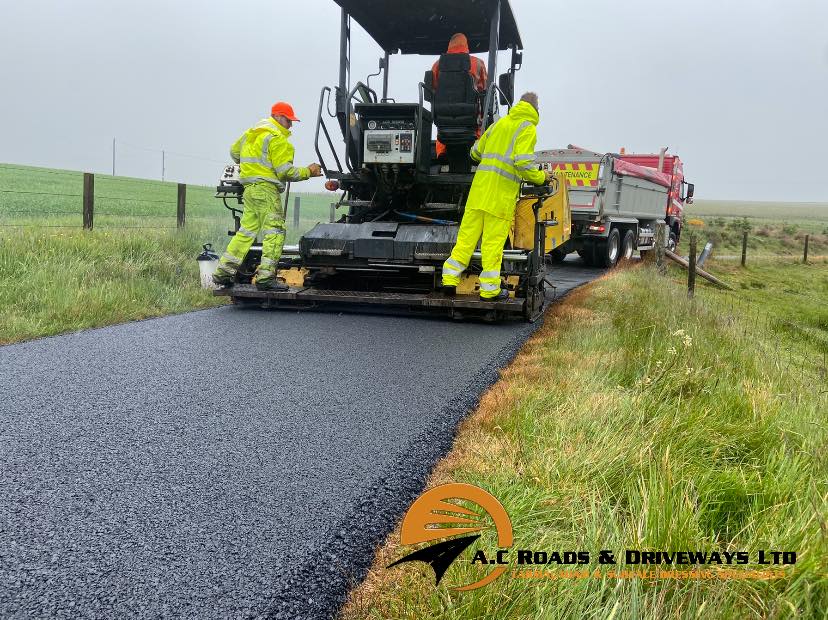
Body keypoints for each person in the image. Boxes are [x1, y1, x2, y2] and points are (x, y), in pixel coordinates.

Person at [441, 92, 554, 301]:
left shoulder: (497, 125)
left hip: (478, 194)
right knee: (492, 245)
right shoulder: (527, 128)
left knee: (465, 240)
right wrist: (542, 177)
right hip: (499, 199)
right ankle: (490, 290)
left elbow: (474, 153)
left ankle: (449, 278)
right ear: (536, 110)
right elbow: (523, 163)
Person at [213, 102, 322, 290]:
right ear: (279, 117)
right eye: (289, 121)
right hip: (266, 191)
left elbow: (234, 152)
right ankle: (265, 279)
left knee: (246, 232)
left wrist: (252, 167)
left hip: (250, 190)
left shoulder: (252, 133)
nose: (291, 125)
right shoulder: (277, 139)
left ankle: (223, 274)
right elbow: (286, 172)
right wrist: (309, 172)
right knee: (275, 231)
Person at [431, 33, 488, 159]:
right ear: (466, 45)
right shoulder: (477, 63)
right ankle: (477, 149)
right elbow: (484, 88)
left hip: (443, 119)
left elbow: (433, 88)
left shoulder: (437, 65)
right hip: (470, 118)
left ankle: (442, 151)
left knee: (442, 124)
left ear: (450, 45)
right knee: (482, 112)